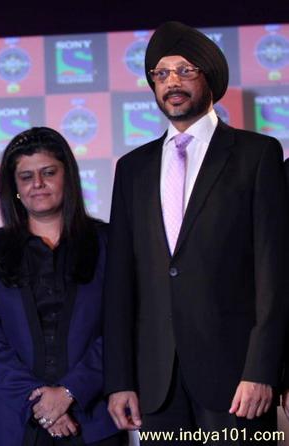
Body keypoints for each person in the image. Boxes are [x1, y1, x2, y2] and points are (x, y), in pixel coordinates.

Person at [104, 21, 289, 444]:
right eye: (161, 74)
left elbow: (274, 274)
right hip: (157, 382)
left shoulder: (256, 155)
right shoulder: (132, 169)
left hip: (237, 381)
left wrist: (262, 370)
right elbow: (119, 284)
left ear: (210, 78)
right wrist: (119, 379)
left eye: (185, 71)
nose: (172, 82)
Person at [0, 127, 124, 446]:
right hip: (13, 420)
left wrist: (70, 392)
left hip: (94, 416)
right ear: (14, 187)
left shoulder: (108, 242)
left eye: (48, 173)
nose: (37, 184)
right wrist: (39, 403)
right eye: (26, 177)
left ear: (68, 177)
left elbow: (120, 329)